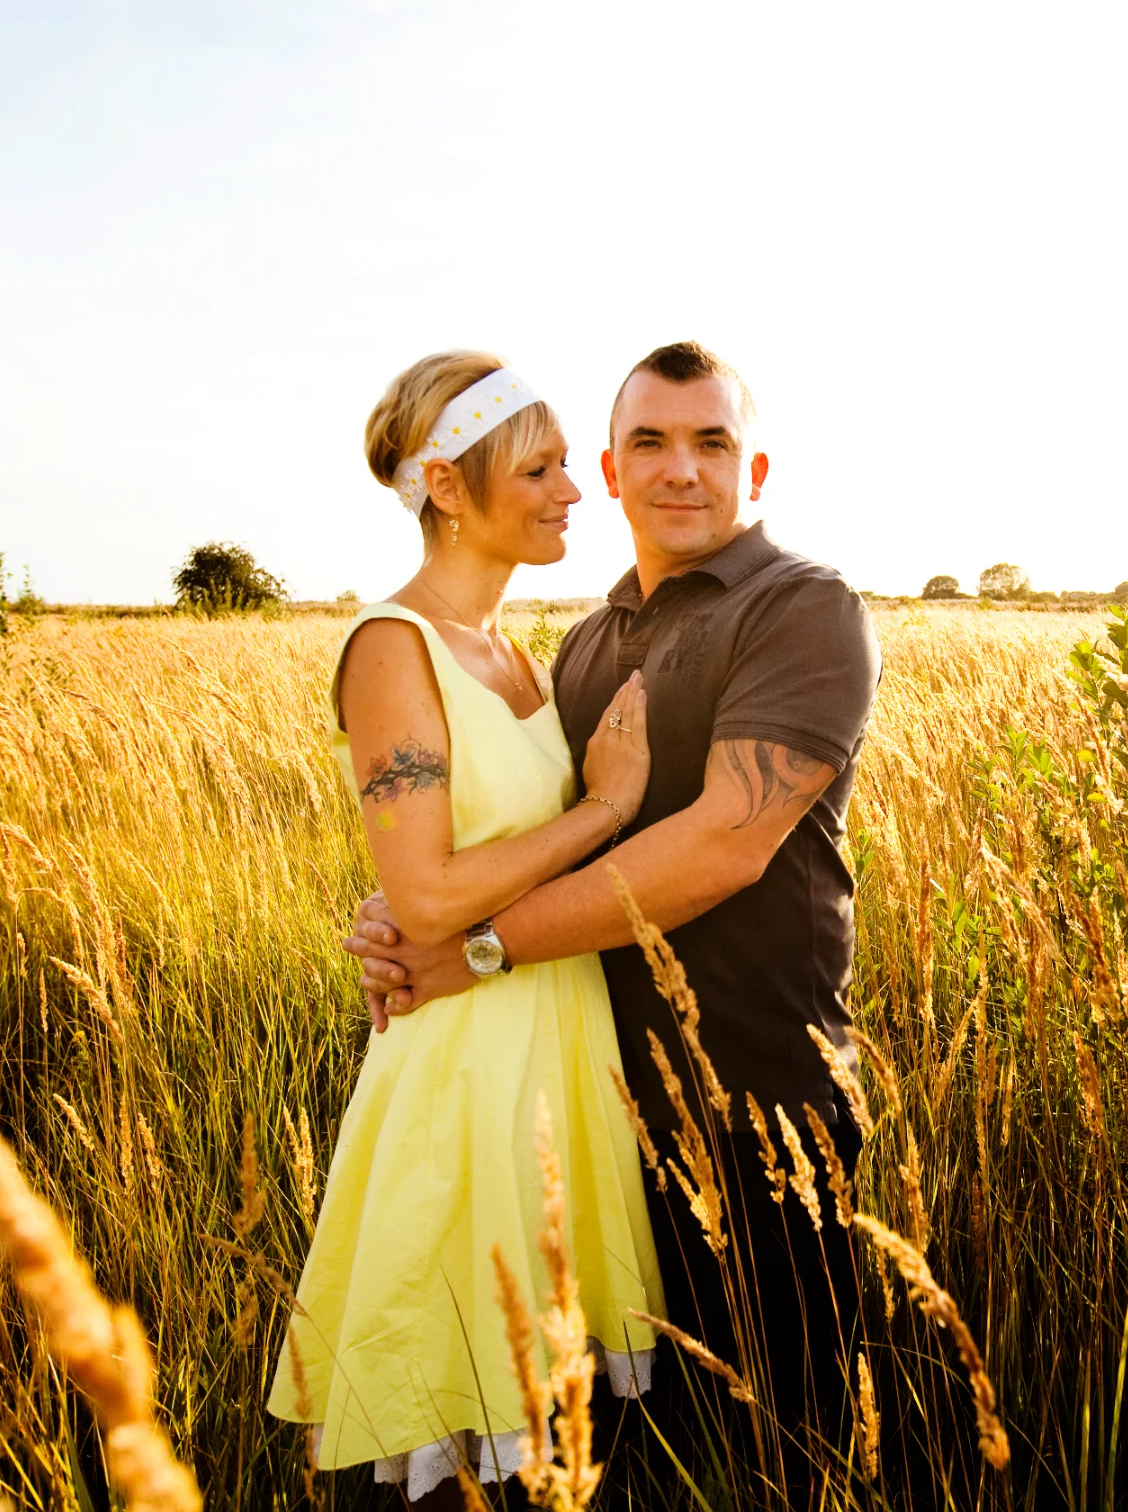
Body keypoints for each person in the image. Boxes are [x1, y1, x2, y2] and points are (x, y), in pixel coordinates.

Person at [346, 341, 883, 1490]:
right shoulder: (581, 645)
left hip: (758, 1100)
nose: (678, 469)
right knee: (620, 1455)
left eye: (711, 442)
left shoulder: (803, 609)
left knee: (779, 1449)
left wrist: (468, 948)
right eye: (649, 442)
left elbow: (725, 844)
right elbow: (499, 837)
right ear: (613, 464)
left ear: (758, 468)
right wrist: (406, 915)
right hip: (584, 1108)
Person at [270, 352, 667, 1502]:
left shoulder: (514, 651)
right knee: (456, 1375)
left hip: (556, 1039)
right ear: (447, 485)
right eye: (538, 468)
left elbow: (463, 877)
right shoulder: (394, 645)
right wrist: (604, 806)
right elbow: (433, 893)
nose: (570, 491)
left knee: (551, 1398)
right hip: (465, 1056)